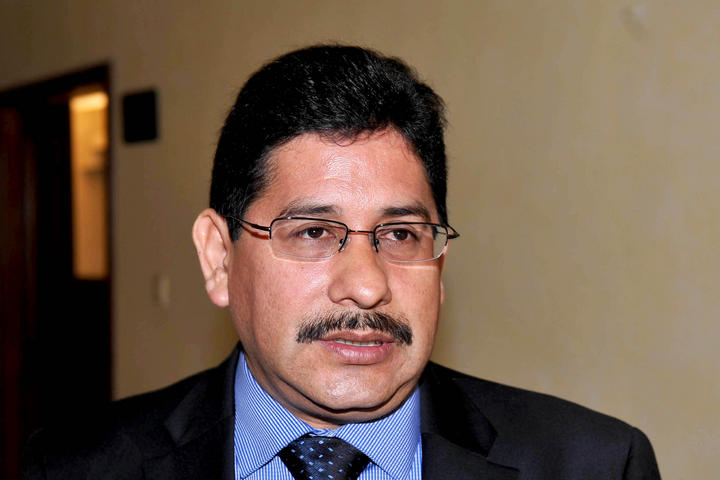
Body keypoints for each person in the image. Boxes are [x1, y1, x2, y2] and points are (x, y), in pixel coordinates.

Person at [22, 45, 661, 479]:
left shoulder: (596, 465)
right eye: (313, 232)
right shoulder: (76, 467)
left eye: (402, 234)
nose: (366, 285)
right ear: (219, 258)